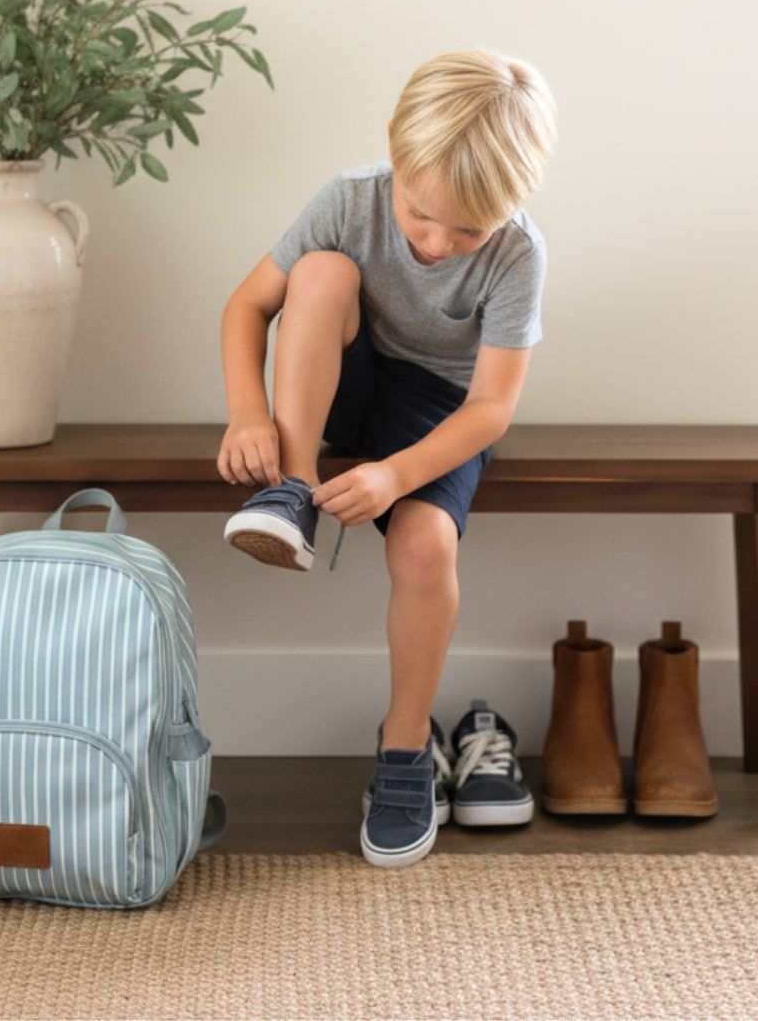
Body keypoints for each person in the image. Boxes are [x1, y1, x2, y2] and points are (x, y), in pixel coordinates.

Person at [216, 48, 557, 868]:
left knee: (424, 544)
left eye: (466, 229)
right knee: (322, 271)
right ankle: (289, 495)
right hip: (339, 369)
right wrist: (245, 413)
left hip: (438, 407)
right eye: (419, 215)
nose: (439, 243)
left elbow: (492, 407)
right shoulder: (351, 198)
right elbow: (248, 305)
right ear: (396, 159)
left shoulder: (519, 255)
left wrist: (399, 475)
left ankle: (405, 748)